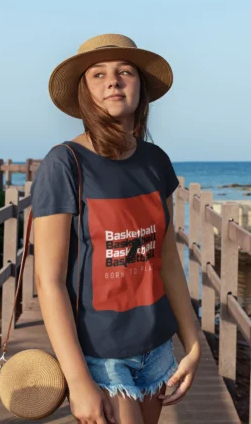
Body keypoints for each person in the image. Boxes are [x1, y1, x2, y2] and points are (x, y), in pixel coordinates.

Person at [31, 34, 202, 424]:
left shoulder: (155, 161)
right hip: (100, 355)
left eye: (125, 71)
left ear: (141, 85)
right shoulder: (64, 164)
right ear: (84, 92)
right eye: (98, 74)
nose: (113, 81)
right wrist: (78, 381)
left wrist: (193, 343)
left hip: (157, 348)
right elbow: (50, 281)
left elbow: (167, 259)